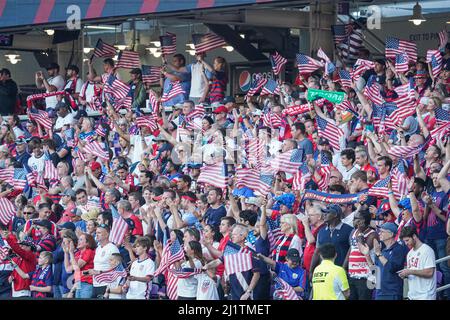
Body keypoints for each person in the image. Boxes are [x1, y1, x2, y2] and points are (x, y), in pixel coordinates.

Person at [358, 222, 408, 300]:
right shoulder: (382, 251)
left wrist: (378, 254)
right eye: (379, 231)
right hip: (380, 293)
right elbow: (375, 271)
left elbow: (392, 268)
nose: (379, 233)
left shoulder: (399, 249)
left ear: (391, 234)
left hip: (392, 293)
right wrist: (367, 255)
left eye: (382, 231)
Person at [310, 204, 353, 275]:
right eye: (324, 212)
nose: (324, 215)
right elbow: (317, 252)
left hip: (342, 271)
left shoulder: (349, 230)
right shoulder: (321, 231)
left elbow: (351, 250)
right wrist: (311, 271)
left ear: (335, 215)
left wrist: (344, 268)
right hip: (324, 273)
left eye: (327, 212)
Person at [399, 226, 437, 300]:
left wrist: (410, 271)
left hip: (426, 296)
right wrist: (405, 274)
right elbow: (413, 272)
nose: (406, 243)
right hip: (412, 295)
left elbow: (429, 272)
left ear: (414, 236)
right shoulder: (409, 253)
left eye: (407, 240)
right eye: (404, 241)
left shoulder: (427, 250)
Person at [88, 224, 119, 298]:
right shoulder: (98, 248)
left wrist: (100, 272)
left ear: (107, 234)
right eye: (96, 232)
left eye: (99, 233)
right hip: (95, 284)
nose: (97, 235)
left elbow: (118, 269)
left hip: (106, 285)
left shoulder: (112, 248)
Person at [64, 233, 96, 299]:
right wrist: (66, 253)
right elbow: (68, 269)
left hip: (87, 283)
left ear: (87, 243)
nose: (78, 241)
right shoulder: (78, 253)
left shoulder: (89, 251)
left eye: (81, 239)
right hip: (78, 283)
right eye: (78, 239)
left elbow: (76, 267)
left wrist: (71, 252)